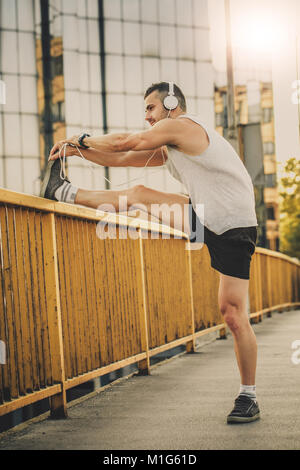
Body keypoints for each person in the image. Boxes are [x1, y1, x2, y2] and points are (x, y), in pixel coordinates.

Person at [40, 81, 260, 424]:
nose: (146, 117)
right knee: (140, 193)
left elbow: (129, 141)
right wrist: (75, 153)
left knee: (232, 314)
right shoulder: (171, 145)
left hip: (233, 224)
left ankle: (249, 396)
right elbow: (126, 156)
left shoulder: (184, 127)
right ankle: (62, 191)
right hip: (203, 215)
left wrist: (80, 139)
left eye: (150, 109)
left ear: (171, 104)